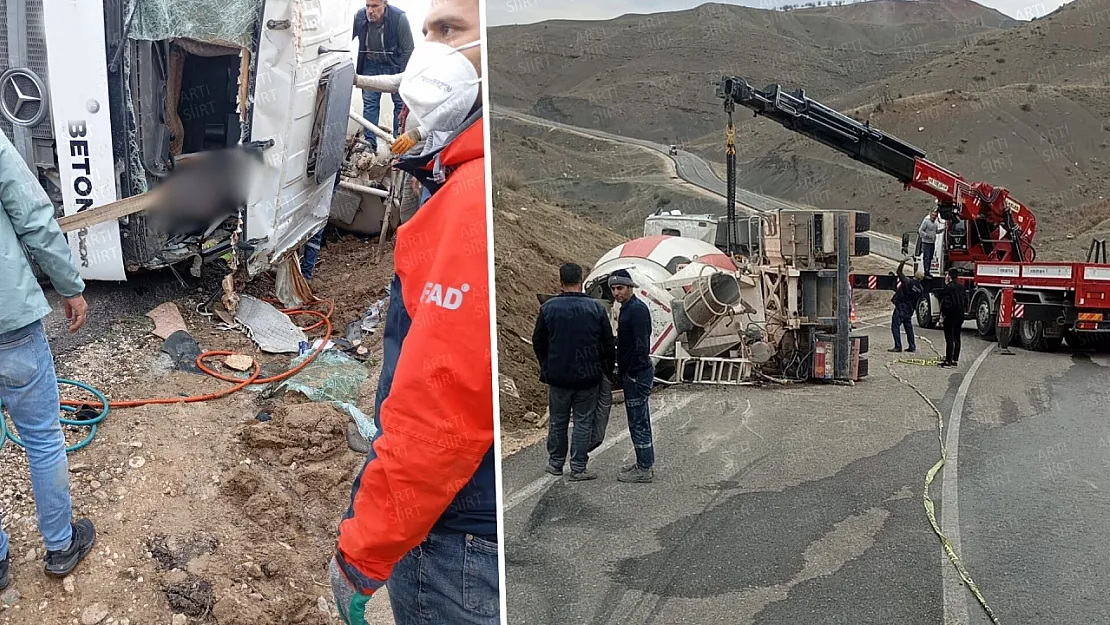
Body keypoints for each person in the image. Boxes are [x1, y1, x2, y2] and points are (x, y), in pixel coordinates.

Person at [328, 1, 496, 624]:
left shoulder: (468, 203)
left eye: (450, 30)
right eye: (427, 32)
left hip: (457, 538)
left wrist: (362, 553)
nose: (429, 51)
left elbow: (438, 409)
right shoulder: (462, 177)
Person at [0, 131, 97, 587]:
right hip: (9, 321)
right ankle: (60, 545)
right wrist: (69, 284)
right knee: (40, 436)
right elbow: (34, 219)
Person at [532, 262, 616, 481]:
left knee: (558, 420)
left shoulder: (549, 308)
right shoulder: (596, 308)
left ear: (560, 282)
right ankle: (578, 466)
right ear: (581, 281)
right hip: (588, 378)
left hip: (558, 378)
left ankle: (555, 464)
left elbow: (538, 341)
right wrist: (606, 370)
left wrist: (547, 365)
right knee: (583, 420)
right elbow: (608, 343)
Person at [608, 269, 656, 484]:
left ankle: (644, 467)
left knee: (638, 421)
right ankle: (643, 462)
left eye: (620, 288)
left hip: (637, 373)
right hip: (634, 372)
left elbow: (641, 345)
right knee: (638, 418)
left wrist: (633, 372)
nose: (616, 292)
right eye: (613, 289)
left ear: (630, 287)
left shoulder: (636, 310)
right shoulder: (628, 309)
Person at [352, 0, 415, 149]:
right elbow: (345, 39)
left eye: (374, 6)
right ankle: (369, 143)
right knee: (370, 104)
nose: (370, 11)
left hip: (395, 65)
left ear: (384, 4)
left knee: (400, 105)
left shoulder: (399, 18)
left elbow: (408, 49)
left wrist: (401, 78)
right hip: (370, 63)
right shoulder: (360, 17)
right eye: (367, 6)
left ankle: (398, 143)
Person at [888, 259, 924, 353]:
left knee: (895, 326)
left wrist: (902, 262)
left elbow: (899, 272)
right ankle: (912, 346)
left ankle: (898, 346)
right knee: (908, 328)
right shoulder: (920, 289)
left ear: (915, 276)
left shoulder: (908, 282)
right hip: (910, 309)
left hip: (901, 307)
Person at [938, 268, 967, 368]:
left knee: (949, 338)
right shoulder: (962, 287)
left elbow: (944, 302)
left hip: (950, 316)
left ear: (949, 276)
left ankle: (948, 361)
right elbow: (965, 301)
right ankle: (955, 360)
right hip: (960, 316)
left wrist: (942, 315)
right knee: (957, 337)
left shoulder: (948, 288)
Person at [918, 207, 942, 277]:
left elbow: (936, 231)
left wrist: (942, 230)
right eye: (933, 215)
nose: (934, 217)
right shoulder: (926, 221)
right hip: (926, 243)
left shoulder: (935, 224)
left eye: (935, 216)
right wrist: (926, 235)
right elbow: (920, 230)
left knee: (930, 258)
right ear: (930, 215)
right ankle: (926, 272)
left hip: (932, 243)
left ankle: (928, 271)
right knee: (926, 258)